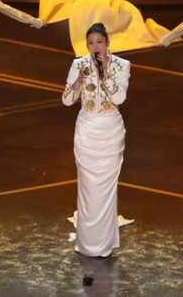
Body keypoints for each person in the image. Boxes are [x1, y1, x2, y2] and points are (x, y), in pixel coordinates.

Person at [63, 22, 131, 257]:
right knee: (88, 187)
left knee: (106, 188)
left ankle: (104, 243)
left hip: (110, 131)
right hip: (87, 130)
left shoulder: (122, 65)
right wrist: (77, 83)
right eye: (90, 43)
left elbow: (120, 98)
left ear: (107, 43)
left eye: (99, 42)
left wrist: (106, 74)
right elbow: (66, 100)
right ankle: (87, 242)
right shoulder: (78, 64)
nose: (95, 47)